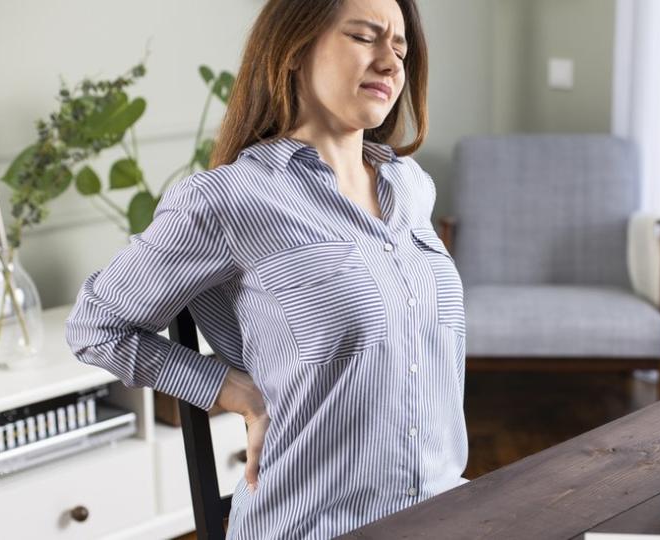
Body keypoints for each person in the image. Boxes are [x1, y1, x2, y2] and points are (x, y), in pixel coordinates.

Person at [65, 0, 468, 537]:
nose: (391, 63)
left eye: (399, 47)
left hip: (448, 510)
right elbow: (95, 326)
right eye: (364, 37)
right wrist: (233, 390)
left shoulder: (412, 186)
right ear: (294, 49)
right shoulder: (229, 200)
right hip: (319, 525)